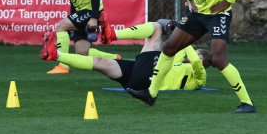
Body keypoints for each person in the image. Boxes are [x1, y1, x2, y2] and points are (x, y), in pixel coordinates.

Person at [125, 0, 256, 113]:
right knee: (169, 47)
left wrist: (229, 0)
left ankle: (247, 103)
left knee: (218, 58)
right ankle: (151, 94)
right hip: (197, 14)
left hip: (218, 14)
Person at [41, 20, 211, 91]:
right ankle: (56, 55)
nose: (193, 54)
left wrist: (187, 38)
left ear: (202, 59)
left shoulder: (199, 77)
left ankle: (113, 35)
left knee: (156, 27)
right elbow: (176, 47)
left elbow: (194, 59)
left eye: (197, 54)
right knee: (102, 62)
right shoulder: (180, 61)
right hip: (139, 76)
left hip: (149, 79)